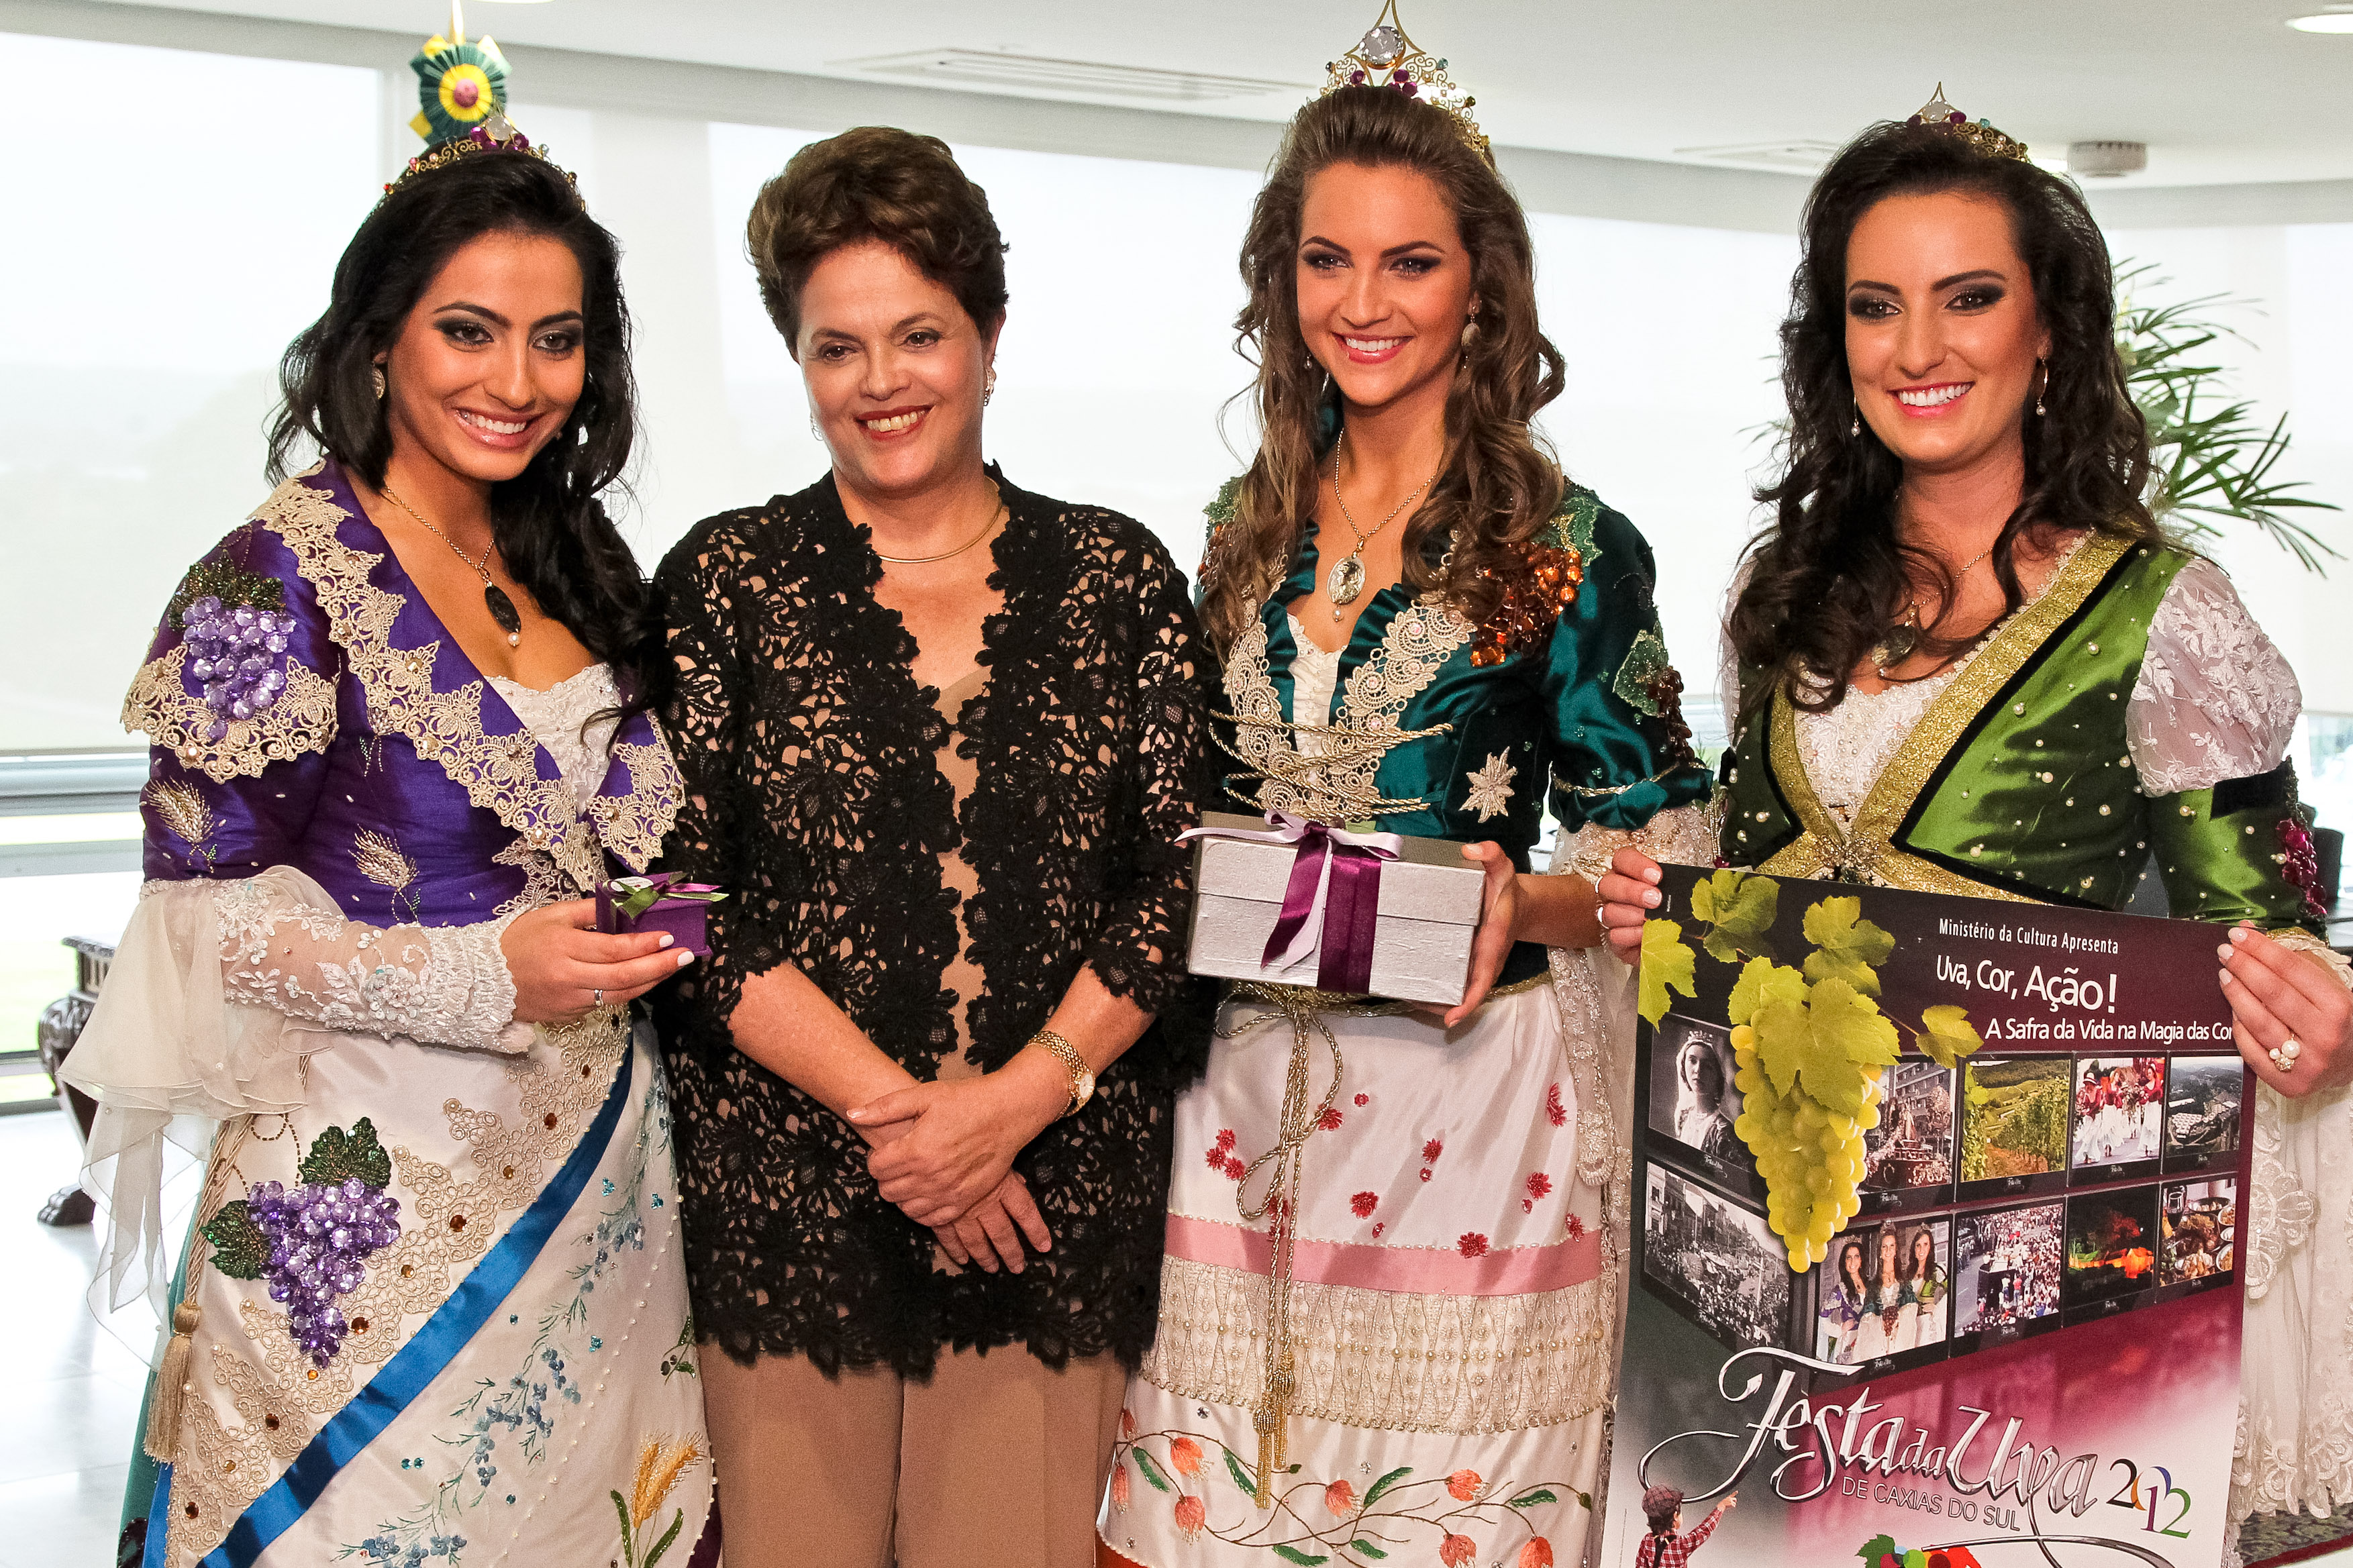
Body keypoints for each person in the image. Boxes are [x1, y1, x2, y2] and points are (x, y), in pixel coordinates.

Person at [1595, 88, 2352, 1541]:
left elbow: (2260, 929)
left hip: (2016, 1257)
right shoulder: (1788, 594)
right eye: (1874, 305)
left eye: (1969, 298)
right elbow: (1743, 871)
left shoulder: (2161, 614)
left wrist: (2317, 1004)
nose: (1918, 348)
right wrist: (1662, 898)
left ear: (2050, 323)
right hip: (1769, 1230)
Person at [60, 34, 712, 1568]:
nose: (516, 380)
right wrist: (480, 971)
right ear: (377, 342)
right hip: (359, 1236)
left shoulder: (580, 566)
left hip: (604, 1202)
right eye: (469, 330)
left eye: (557, 340)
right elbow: (199, 925)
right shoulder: (265, 580)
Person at [1099, 17, 1715, 1567]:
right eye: (1324, 261)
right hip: (1231, 1109)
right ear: (1279, 277)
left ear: (1478, 284)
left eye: (1406, 264)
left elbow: (1664, 852)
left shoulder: (1566, 537)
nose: (1359, 304)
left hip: (1465, 1115)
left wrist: (1534, 899)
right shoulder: (1243, 526)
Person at [651, 125, 1214, 1568]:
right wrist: (916, 1129)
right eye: (838, 348)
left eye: (920, 334)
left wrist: (1012, 1110)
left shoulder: (1118, 576)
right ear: (798, 360)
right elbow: (679, 897)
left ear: (992, 335)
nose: (881, 381)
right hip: (786, 1215)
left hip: (1044, 1213)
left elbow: (1179, 880)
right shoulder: (724, 582)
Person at [1634, 1485, 1736, 1568]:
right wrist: (1721, 1507)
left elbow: (1640, 1565)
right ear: (1675, 1516)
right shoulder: (1681, 1544)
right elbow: (1704, 1530)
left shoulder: (1647, 1540)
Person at [1674, 1036, 1738, 1161]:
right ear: (1683, 1065)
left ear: (1718, 1076)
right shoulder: (1684, 1116)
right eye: (1693, 1061)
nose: (1698, 1070)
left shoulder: (1724, 1131)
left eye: (1707, 1066)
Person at [1820, 1239, 1871, 1362]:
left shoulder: (1871, 1285)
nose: (1852, 1261)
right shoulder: (1840, 1290)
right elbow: (1822, 1318)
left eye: (1856, 1257)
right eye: (1849, 1258)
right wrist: (1840, 1329)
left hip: (1871, 1340)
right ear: (1844, 1262)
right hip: (1850, 1342)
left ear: (1861, 1260)